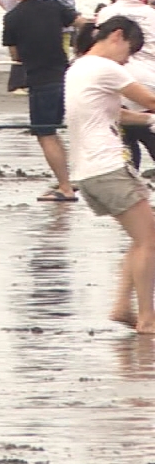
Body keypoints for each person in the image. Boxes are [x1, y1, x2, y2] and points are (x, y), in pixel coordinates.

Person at [68, 16, 155, 334]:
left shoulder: (79, 67)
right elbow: (150, 100)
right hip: (106, 166)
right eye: (129, 53)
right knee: (149, 240)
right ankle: (147, 318)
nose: (127, 61)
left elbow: (115, 113)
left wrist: (147, 122)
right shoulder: (106, 68)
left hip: (89, 169)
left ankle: (123, 306)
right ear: (117, 36)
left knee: (143, 237)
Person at [1, 0, 86, 202]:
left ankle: (65, 187)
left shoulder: (13, 18)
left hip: (41, 80)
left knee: (46, 133)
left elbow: (16, 55)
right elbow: (82, 23)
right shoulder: (54, 7)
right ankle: (67, 180)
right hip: (67, 76)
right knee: (58, 131)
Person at [95, 0, 155, 170]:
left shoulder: (106, 13)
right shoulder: (152, 14)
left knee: (125, 146)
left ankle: (132, 186)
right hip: (149, 84)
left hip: (118, 82)